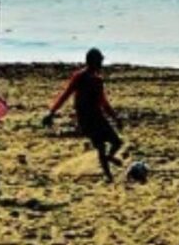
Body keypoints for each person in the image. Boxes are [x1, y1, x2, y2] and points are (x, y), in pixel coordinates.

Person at [43, 48, 124, 182]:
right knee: (101, 147)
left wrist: (115, 118)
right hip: (86, 119)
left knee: (116, 143)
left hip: (98, 116)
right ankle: (109, 176)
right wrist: (52, 112)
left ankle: (110, 160)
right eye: (99, 61)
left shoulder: (98, 80)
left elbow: (103, 102)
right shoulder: (80, 77)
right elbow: (66, 94)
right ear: (92, 62)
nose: (101, 64)